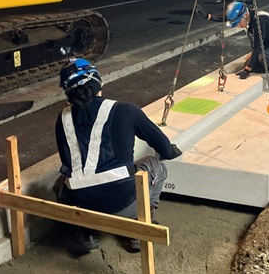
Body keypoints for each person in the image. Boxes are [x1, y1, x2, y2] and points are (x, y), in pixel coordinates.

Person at [53, 58, 183, 255]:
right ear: (97, 81)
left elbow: (67, 161)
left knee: (62, 180)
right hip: (122, 201)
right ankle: (137, 230)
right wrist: (172, 151)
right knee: (156, 166)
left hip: (81, 204)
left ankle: (82, 232)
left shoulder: (62, 118)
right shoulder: (125, 110)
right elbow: (164, 149)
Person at [225, 0, 269, 87]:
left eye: (239, 22)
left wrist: (247, 70)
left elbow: (258, 48)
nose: (238, 26)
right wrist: (248, 67)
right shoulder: (251, 20)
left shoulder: (260, 20)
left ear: (246, 15)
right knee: (250, 65)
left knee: (264, 57)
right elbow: (256, 47)